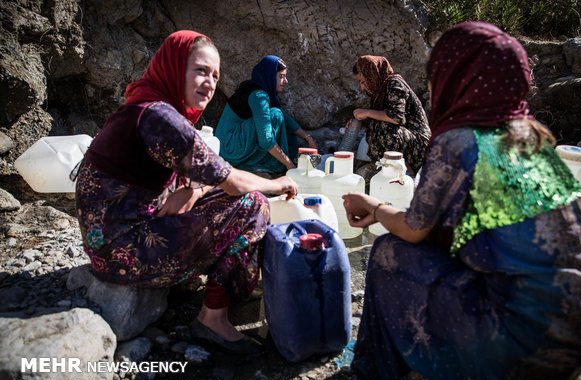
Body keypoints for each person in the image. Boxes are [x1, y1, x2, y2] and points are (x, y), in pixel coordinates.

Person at [341, 22, 581, 380]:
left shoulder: (460, 141)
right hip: (580, 335)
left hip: (520, 340)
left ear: (455, 78)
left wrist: (375, 206)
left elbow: (414, 229)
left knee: (387, 252)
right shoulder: (534, 140)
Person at [74, 30, 298, 355]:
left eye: (215, 75)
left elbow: (204, 174)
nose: (209, 83)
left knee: (217, 195)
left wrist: (193, 188)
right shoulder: (160, 117)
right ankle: (213, 319)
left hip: (111, 241)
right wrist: (280, 183)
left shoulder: (145, 106)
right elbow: (231, 181)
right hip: (122, 253)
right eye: (200, 70)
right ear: (175, 66)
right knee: (253, 204)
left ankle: (193, 286)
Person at [216, 55, 317, 176]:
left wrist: (308, 138)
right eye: (281, 77)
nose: (286, 81)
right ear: (270, 76)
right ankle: (257, 166)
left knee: (281, 120)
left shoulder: (259, 90)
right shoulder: (258, 96)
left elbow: (286, 119)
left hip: (227, 145)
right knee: (275, 116)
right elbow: (266, 140)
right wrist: (289, 164)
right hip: (230, 148)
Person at [351, 55, 431, 176]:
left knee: (385, 129)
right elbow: (380, 117)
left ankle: (408, 173)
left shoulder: (395, 84)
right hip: (406, 139)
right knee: (375, 127)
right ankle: (387, 169)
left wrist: (367, 112)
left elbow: (397, 117)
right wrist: (361, 122)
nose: (362, 87)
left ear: (372, 75)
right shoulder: (379, 90)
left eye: (363, 81)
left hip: (419, 145)